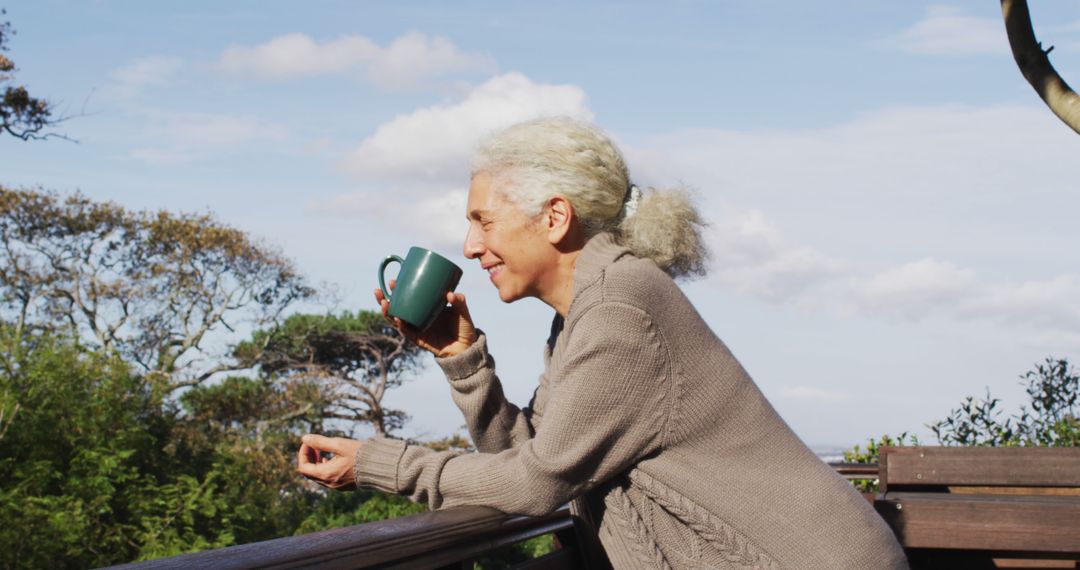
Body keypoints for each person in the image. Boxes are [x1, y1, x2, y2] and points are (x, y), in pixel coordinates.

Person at [297, 117, 909, 569]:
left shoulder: (620, 307)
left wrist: (379, 463)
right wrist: (463, 359)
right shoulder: (586, 312)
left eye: (483, 220)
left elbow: (534, 486)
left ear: (555, 218)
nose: (470, 246)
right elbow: (535, 455)